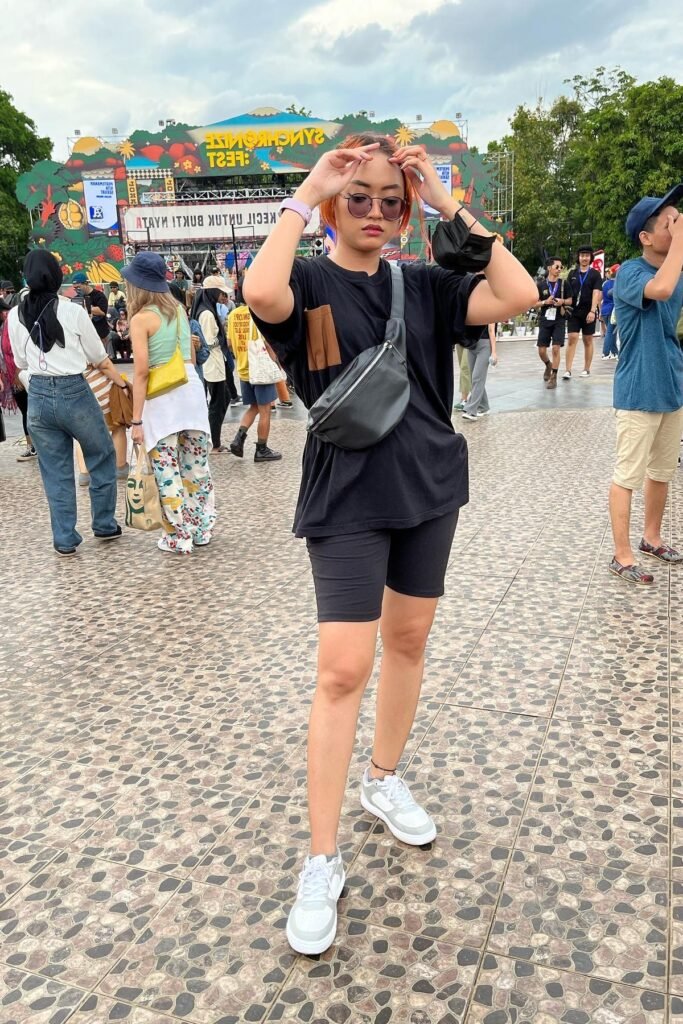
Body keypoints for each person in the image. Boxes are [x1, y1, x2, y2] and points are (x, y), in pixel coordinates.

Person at [243, 133, 537, 955]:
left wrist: (445, 199)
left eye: (389, 200)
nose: (375, 210)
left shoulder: (424, 283)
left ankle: (384, 778)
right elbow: (258, 286)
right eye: (360, 196)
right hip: (345, 499)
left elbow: (513, 292)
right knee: (343, 668)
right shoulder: (304, 279)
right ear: (335, 203)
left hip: (428, 488)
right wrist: (308, 187)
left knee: (407, 642)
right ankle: (320, 858)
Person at [8, 251, 122, 555]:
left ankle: (64, 538)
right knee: (101, 454)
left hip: (40, 398)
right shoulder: (72, 311)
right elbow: (98, 356)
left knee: (55, 470)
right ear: (57, 275)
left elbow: (20, 362)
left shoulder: (13, 315)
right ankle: (104, 524)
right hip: (75, 391)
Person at [608, 188, 683, 584]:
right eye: (670, 222)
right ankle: (621, 555)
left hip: (672, 385)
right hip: (638, 390)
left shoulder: (675, 269)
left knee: (662, 471)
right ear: (646, 237)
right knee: (628, 475)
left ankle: (651, 537)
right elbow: (663, 290)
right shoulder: (632, 274)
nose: (677, 224)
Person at [127, 252, 216, 554]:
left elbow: (141, 372)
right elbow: (189, 358)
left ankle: (179, 536)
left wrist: (136, 420)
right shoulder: (179, 310)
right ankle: (201, 528)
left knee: (167, 469)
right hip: (191, 391)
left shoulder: (141, 319)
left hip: (161, 398)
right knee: (196, 467)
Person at [227, 301, 282, 462]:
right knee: (265, 411)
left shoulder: (233, 315)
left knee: (254, 407)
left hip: (244, 369)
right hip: (260, 370)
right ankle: (261, 449)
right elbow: (267, 343)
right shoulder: (259, 313)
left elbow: (230, 343)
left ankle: (239, 438)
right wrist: (276, 364)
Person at [191, 275, 232, 453]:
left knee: (222, 399)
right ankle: (214, 443)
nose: (223, 297)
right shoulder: (207, 314)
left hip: (213, 363)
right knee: (217, 403)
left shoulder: (206, 310)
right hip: (212, 364)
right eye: (221, 293)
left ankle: (212, 439)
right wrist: (222, 340)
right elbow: (207, 341)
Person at [562, 247, 603, 379]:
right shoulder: (572, 273)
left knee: (588, 340)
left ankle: (586, 369)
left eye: (586, 255)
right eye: (581, 255)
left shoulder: (595, 274)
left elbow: (596, 293)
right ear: (578, 257)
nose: (584, 258)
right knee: (572, 338)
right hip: (574, 311)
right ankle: (567, 370)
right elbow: (567, 292)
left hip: (588, 311)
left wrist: (593, 310)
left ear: (590, 257)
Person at [534, 257, 572, 390]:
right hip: (545, 319)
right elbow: (534, 303)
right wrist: (545, 302)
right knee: (541, 350)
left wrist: (562, 301)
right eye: (557, 267)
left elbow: (570, 300)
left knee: (556, 348)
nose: (560, 269)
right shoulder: (541, 285)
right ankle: (548, 365)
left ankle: (554, 376)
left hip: (559, 319)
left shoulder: (564, 284)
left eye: (561, 267)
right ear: (549, 268)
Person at [462, 323, 497, 419]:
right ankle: (484, 407)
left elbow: (491, 331)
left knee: (477, 377)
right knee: (475, 379)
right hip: (472, 346)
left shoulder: (491, 310)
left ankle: (471, 410)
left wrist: (494, 352)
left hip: (485, 346)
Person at [72, 271, 111, 346]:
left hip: (100, 334)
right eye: (75, 288)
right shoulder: (77, 298)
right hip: (85, 335)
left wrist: (85, 306)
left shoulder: (99, 296)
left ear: (86, 284)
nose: (77, 289)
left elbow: (102, 311)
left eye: (78, 287)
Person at [601, 264, 620, 359]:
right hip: (613, 311)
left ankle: (615, 352)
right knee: (610, 332)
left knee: (612, 332)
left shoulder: (605, 284)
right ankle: (606, 353)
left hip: (604, 310)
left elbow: (601, 297)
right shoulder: (618, 283)